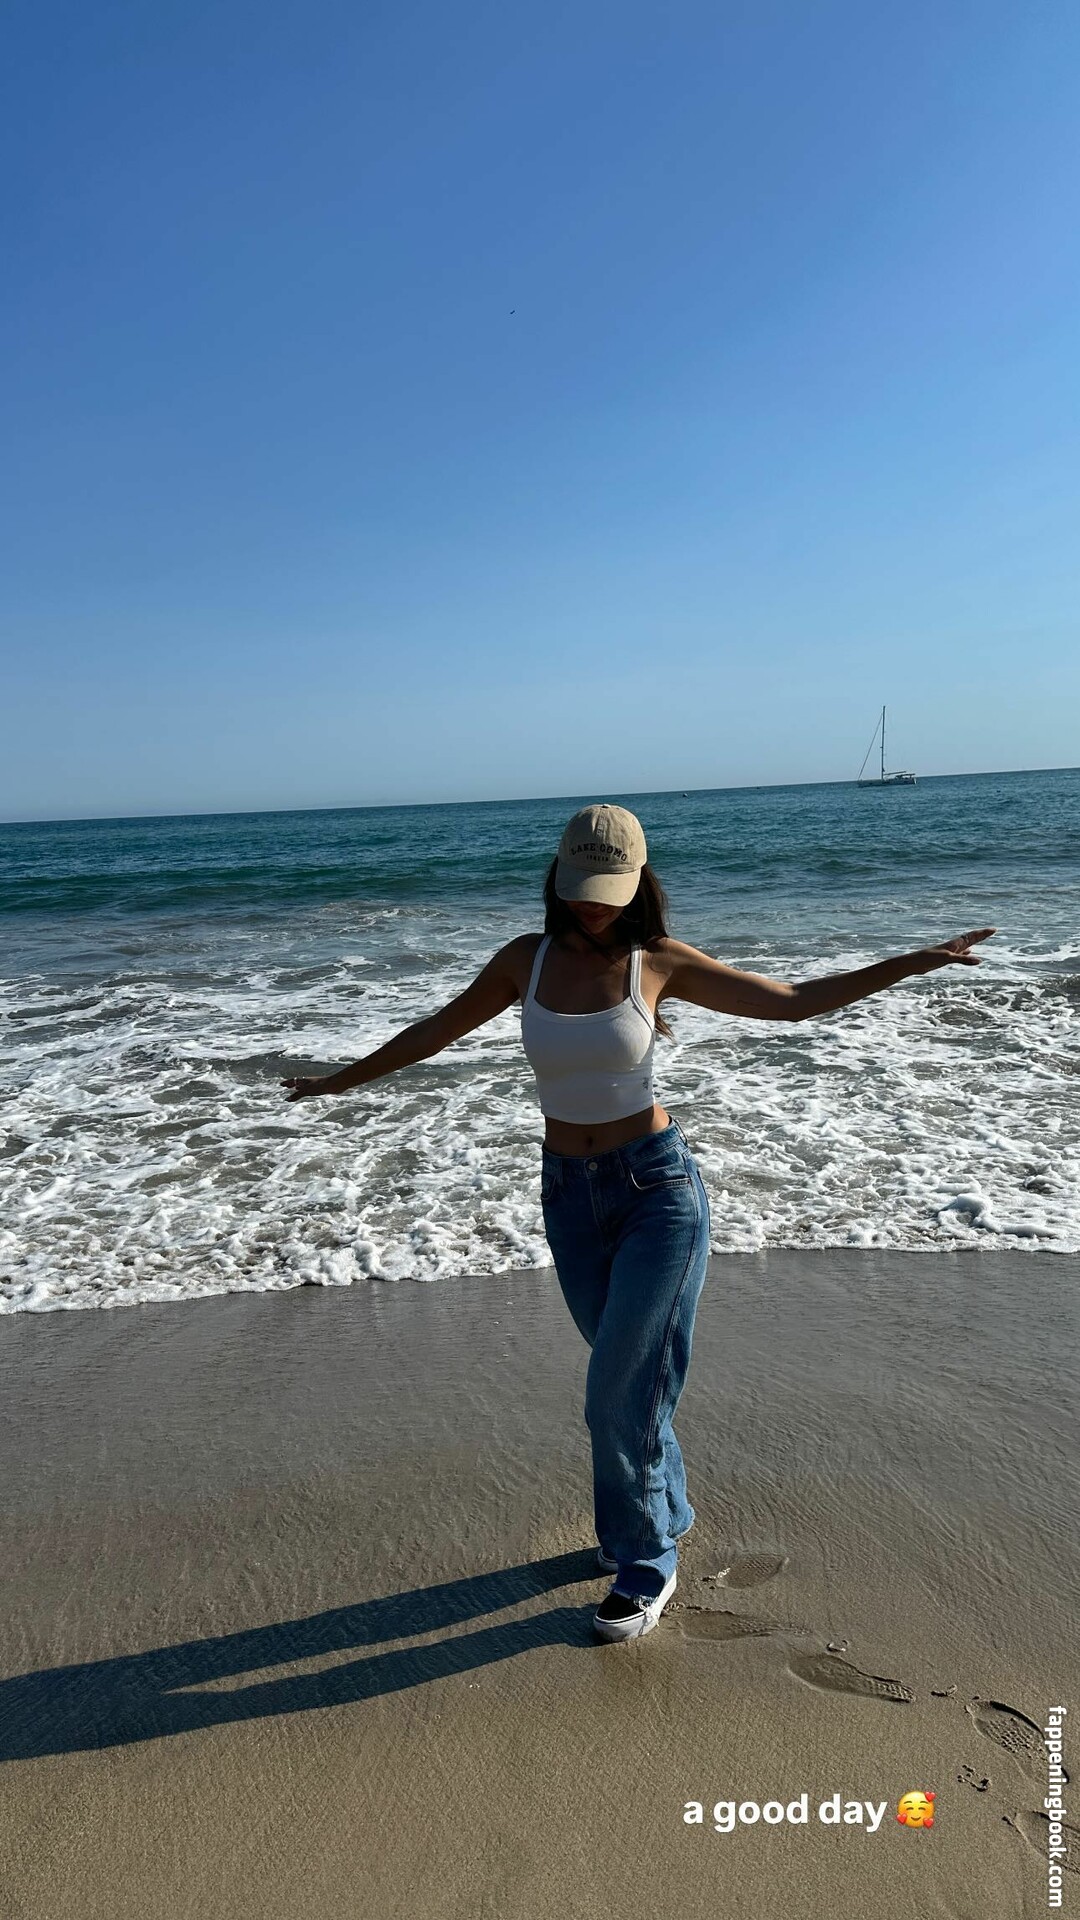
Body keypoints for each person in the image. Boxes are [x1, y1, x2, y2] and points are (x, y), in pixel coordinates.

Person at [282, 802, 995, 1643]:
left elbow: (795, 1003)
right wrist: (336, 1083)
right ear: (557, 880)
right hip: (568, 1196)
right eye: (580, 890)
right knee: (633, 1382)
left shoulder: (656, 962)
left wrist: (911, 962)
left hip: (657, 1191)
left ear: (638, 884)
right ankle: (660, 1509)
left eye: (609, 892)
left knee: (617, 1395)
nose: (593, 906)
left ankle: (647, 1557)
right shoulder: (522, 961)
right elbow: (435, 1031)